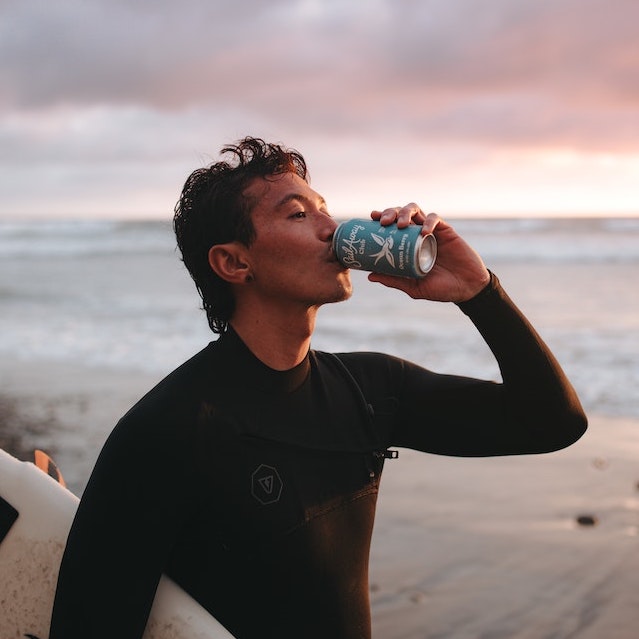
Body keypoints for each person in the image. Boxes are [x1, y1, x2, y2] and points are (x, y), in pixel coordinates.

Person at [49, 137, 587, 639]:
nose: (332, 227)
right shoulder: (167, 430)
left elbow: (552, 423)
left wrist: (479, 292)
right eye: (298, 214)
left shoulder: (371, 389)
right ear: (235, 262)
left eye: (324, 208)